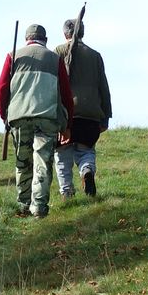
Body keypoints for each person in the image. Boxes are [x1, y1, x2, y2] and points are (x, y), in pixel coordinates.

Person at [0, 24, 74, 217]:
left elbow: (0, 89)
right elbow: (66, 94)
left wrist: (5, 115)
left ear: (27, 39)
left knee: (23, 161)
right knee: (42, 162)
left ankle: (23, 205)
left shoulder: (13, 56)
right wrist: (67, 124)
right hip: (47, 117)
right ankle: (38, 207)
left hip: (19, 117)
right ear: (45, 40)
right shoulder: (55, 59)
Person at [55, 17, 112, 198]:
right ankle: (87, 170)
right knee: (86, 151)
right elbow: (104, 87)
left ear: (65, 33)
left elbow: (53, 85)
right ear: (82, 32)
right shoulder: (95, 56)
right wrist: (105, 116)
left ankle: (67, 193)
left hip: (66, 115)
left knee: (62, 155)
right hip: (90, 115)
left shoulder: (58, 52)